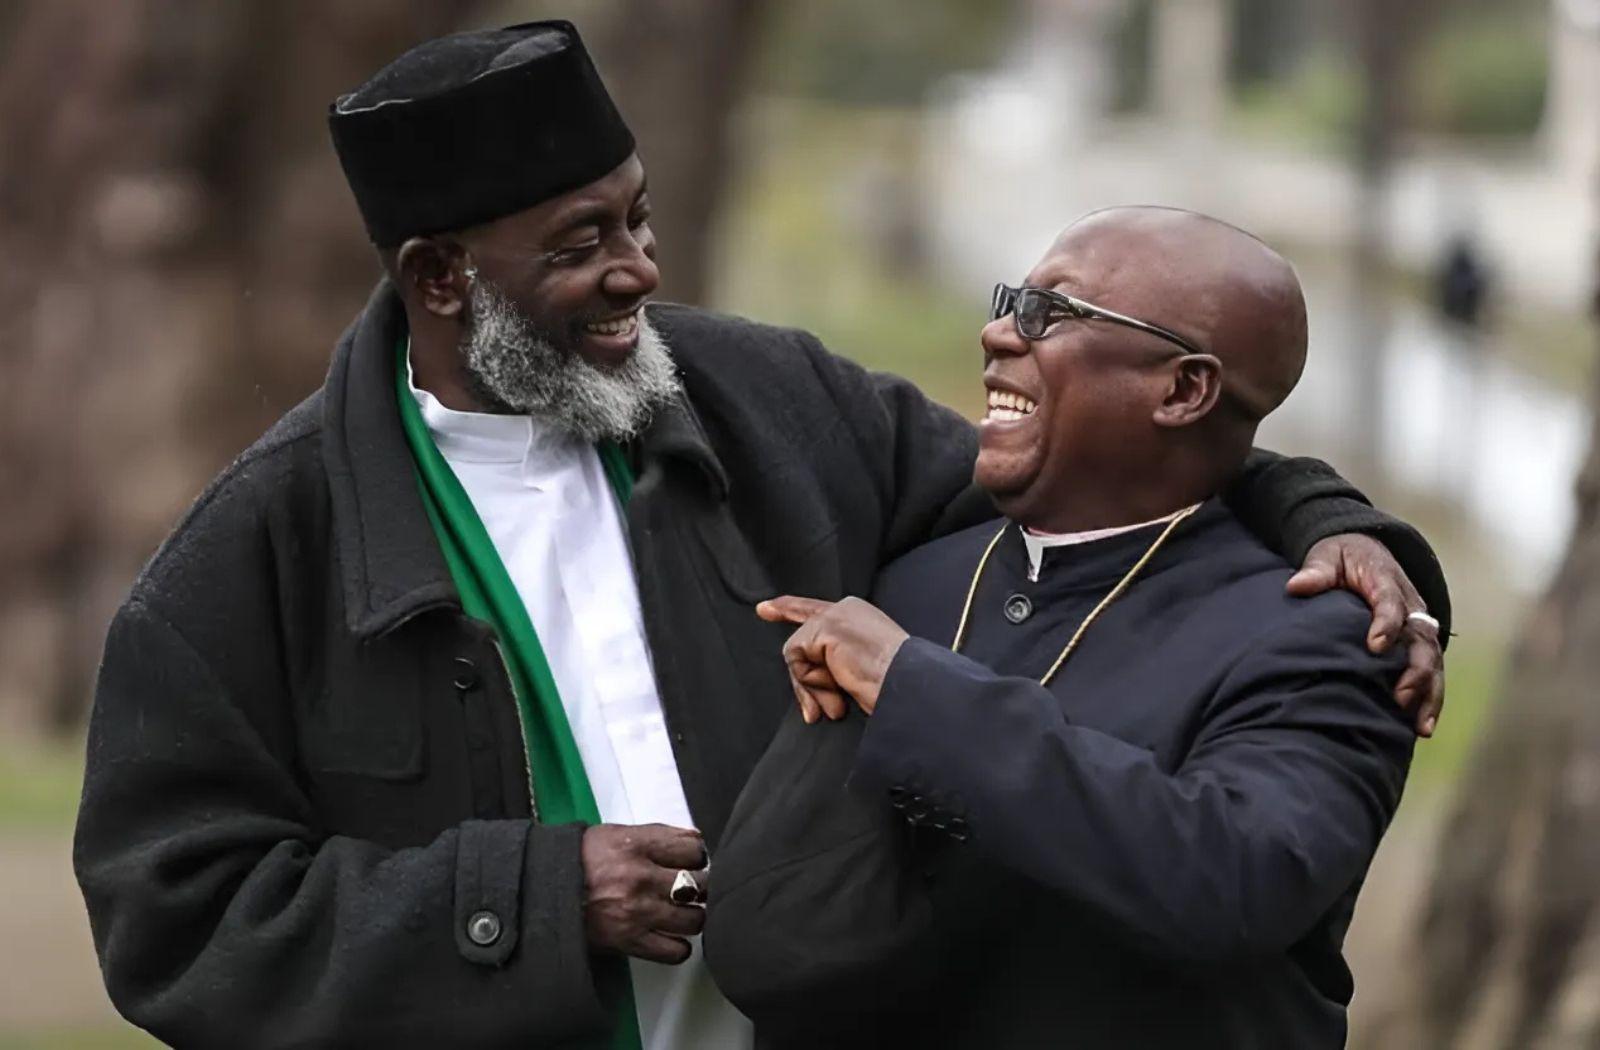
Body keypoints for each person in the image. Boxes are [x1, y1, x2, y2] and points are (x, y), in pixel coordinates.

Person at [73, 22, 1446, 1049]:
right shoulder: (256, 550)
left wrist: (1327, 519)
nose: (641, 272)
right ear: (443, 278)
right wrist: (537, 896)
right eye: (583, 241)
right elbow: (173, 921)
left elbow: (1090, 470)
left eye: (642, 214)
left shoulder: (761, 397)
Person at [707, 207, 1431, 1048]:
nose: (997, 333)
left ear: (1185, 390)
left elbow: (1235, 882)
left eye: (1049, 313)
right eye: (1013, 300)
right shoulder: (919, 575)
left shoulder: (1326, 640)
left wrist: (916, 692)